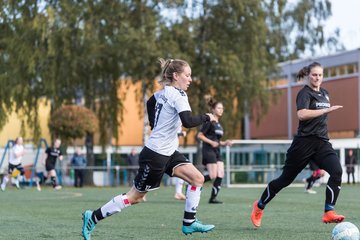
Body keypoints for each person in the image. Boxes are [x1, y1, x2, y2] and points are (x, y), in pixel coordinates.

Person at [82, 58, 216, 239]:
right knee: (135, 197)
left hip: (167, 152)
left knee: (197, 178)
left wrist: (154, 124)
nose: (190, 79)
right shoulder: (179, 95)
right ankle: (93, 217)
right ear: (176, 76)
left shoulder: (164, 92)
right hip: (155, 155)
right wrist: (207, 117)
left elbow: (150, 103)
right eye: (187, 75)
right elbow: (188, 121)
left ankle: (189, 223)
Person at [251, 62, 345, 228]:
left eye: (320, 75)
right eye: (314, 75)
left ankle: (329, 211)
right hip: (303, 143)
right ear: (308, 75)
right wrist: (325, 111)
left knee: (337, 171)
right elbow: (302, 114)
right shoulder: (304, 93)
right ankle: (259, 206)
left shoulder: (325, 93)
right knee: (284, 180)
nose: (317, 78)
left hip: (322, 142)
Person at [197, 97, 232, 204]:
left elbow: (217, 140)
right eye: (218, 108)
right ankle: (194, 182)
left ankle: (213, 198)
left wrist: (225, 143)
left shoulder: (219, 125)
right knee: (212, 175)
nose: (221, 110)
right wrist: (211, 142)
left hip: (217, 151)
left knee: (220, 173)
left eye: (222, 108)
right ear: (213, 109)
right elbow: (199, 135)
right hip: (208, 150)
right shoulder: (210, 121)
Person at [174, 130, 187, 200]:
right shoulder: (170, 120)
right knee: (154, 173)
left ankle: (178, 192)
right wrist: (180, 133)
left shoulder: (178, 123)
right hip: (167, 151)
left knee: (182, 171)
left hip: (174, 152)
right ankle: (140, 191)